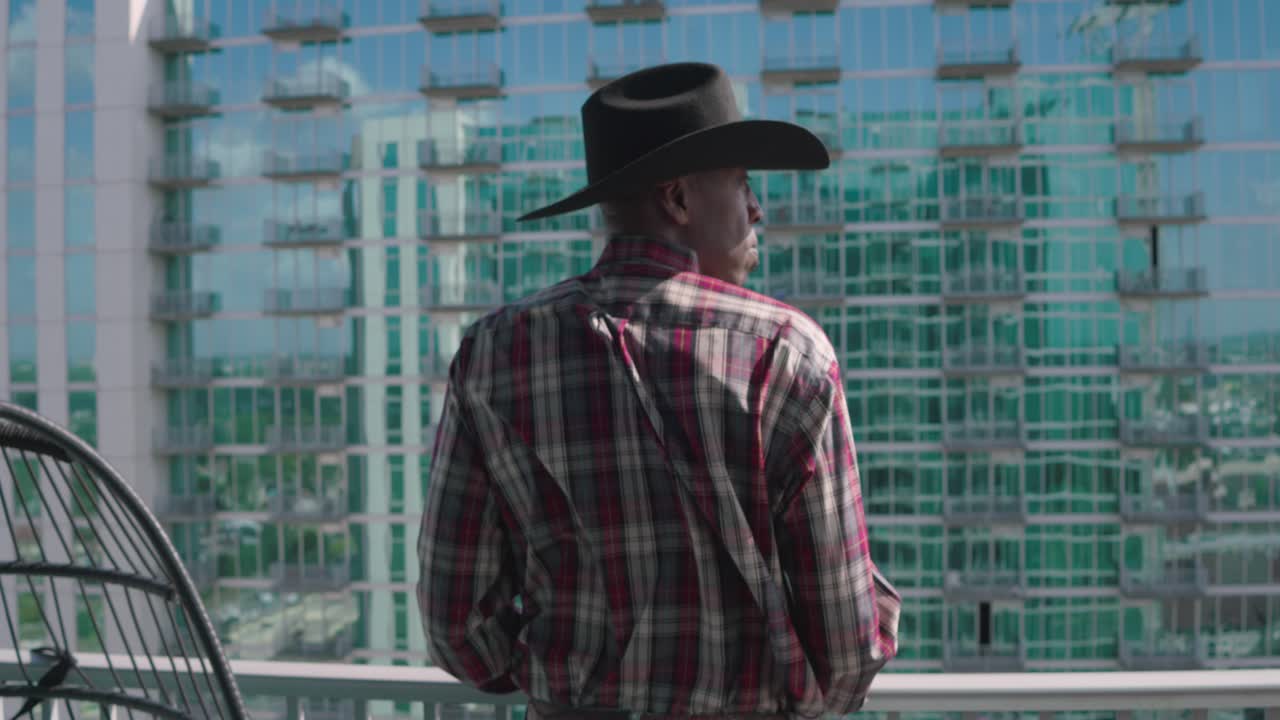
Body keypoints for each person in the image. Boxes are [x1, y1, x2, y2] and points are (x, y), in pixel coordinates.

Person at [417, 62, 899, 720]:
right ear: (676, 199)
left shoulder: (493, 353)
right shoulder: (787, 355)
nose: (757, 208)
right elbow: (848, 657)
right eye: (740, 182)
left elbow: (456, 628)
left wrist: (569, 685)